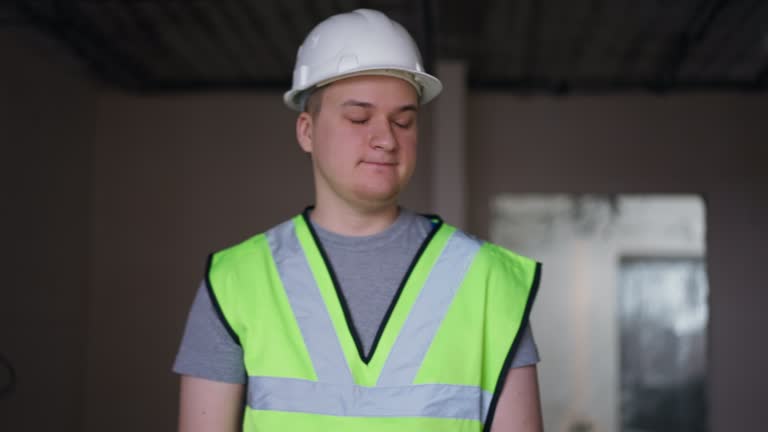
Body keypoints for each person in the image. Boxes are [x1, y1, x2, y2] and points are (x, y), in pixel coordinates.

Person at [173, 8, 543, 432]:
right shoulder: (235, 280)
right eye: (359, 118)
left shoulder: (489, 278)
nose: (386, 139)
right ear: (306, 131)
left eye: (403, 120)